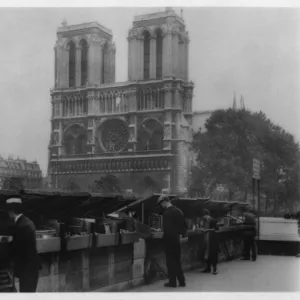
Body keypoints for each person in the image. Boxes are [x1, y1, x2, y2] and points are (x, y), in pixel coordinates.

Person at [6, 197, 40, 292]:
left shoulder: (21, 226)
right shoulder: (26, 221)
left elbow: (18, 247)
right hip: (31, 269)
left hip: (27, 270)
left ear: (12, 212)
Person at [157, 195, 187, 288]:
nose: (161, 206)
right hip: (177, 239)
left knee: (170, 262)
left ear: (164, 202)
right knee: (177, 261)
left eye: (161, 204)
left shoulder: (167, 213)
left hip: (169, 240)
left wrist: (162, 235)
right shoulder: (179, 211)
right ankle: (182, 281)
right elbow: (184, 227)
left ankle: (172, 282)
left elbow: (167, 229)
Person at [201, 209, 219, 275]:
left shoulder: (213, 220)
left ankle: (214, 269)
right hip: (206, 239)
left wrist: (207, 230)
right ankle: (207, 268)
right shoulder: (204, 221)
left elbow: (216, 229)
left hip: (212, 240)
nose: (204, 218)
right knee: (206, 253)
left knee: (213, 254)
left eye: (204, 216)